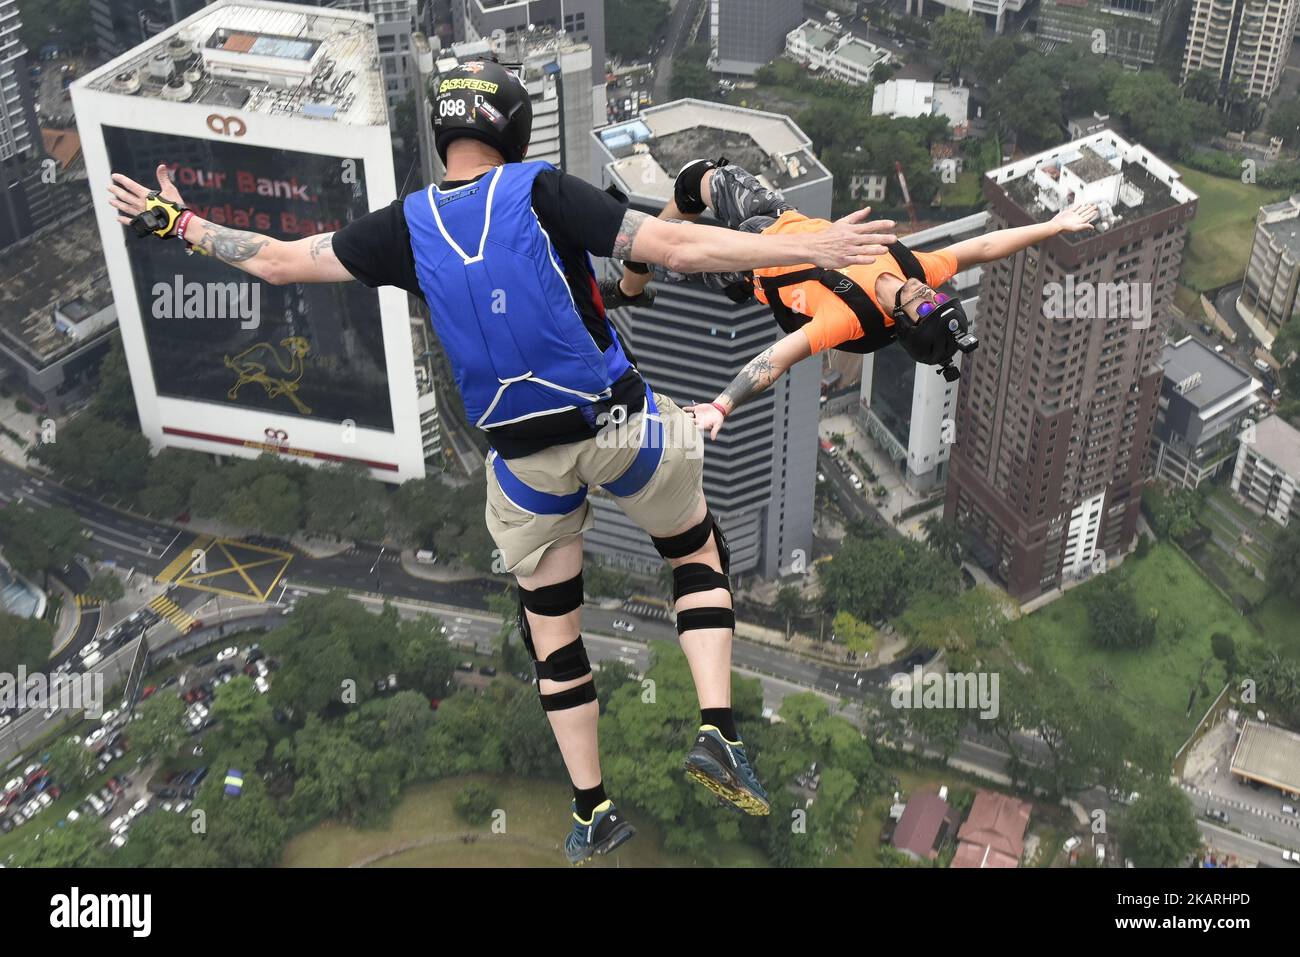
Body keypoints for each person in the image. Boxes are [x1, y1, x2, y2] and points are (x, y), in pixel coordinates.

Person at [106, 59, 898, 864]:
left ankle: (592, 808)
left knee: (552, 630)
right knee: (694, 549)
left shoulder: (402, 226)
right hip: (621, 426)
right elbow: (678, 245)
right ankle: (716, 732)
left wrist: (179, 223)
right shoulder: (542, 191)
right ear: (513, 131)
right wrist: (812, 243)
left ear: (446, 135)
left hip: (522, 467)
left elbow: (274, 259)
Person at [603, 159, 1097, 434]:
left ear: (905, 323)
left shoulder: (848, 319)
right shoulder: (916, 268)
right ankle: (650, 247)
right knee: (699, 178)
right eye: (940, 297)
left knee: (648, 250)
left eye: (926, 305)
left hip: (741, 266)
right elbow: (985, 247)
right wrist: (1054, 225)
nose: (930, 291)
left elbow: (775, 360)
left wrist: (723, 405)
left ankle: (629, 287)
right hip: (780, 220)